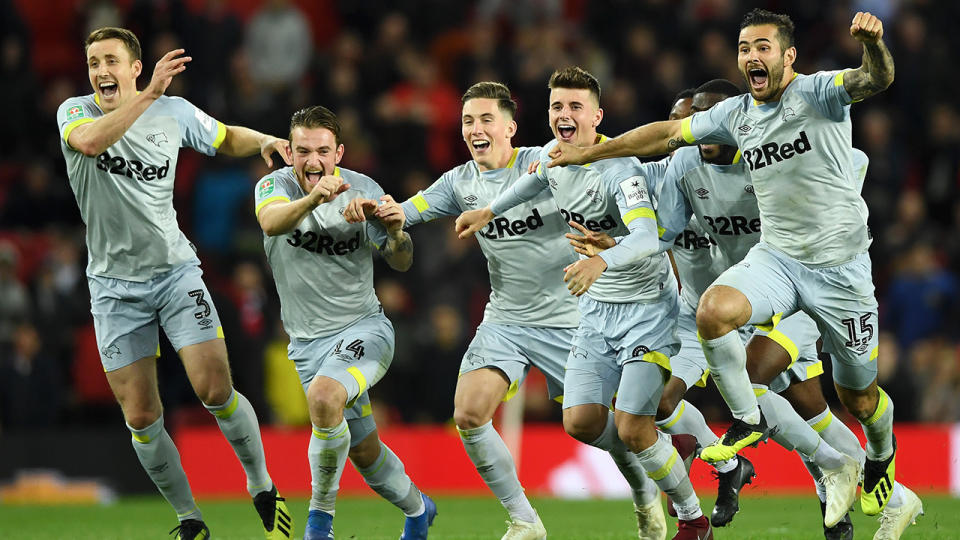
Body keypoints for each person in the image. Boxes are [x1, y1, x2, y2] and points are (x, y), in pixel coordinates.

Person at [547, 8, 913, 524]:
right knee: (713, 313)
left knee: (859, 395)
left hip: (839, 270)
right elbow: (665, 135)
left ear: (788, 56)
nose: (752, 56)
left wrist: (873, 44)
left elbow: (875, 78)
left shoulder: (818, 92)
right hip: (778, 261)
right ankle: (746, 424)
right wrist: (589, 155)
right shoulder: (735, 116)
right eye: (744, 48)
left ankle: (879, 455)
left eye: (763, 46)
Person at [384, 81, 665, 540]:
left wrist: (609, 251)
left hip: (572, 318)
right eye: (467, 121)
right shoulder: (459, 182)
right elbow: (409, 210)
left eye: (485, 119)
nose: (475, 129)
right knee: (469, 413)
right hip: (507, 320)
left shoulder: (550, 160)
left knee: (591, 426)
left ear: (510, 127)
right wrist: (383, 211)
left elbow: (606, 197)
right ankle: (524, 520)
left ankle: (642, 488)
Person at [456, 67, 712, 540]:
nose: (564, 115)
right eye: (557, 106)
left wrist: (602, 263)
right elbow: (534, 182)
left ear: (597, 115)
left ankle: (694, 519)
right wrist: (490, 209)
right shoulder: (553, 154)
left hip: (645, 309)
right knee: (581, 421)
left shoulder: (621, 171)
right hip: (595, 312)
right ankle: (670, 451)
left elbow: (646, 237)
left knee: (635, 427)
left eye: (575, 107)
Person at [57, 27, 292, 540]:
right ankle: (190, 519)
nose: (100, 70)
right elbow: (93, 142)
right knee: (142, 416)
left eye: (111, 60)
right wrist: (147, 97)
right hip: (114, 288)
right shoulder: (74, 112)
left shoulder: (175, 113)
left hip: (174, 274)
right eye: (93, 61)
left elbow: (227, 137)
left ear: (135, 65)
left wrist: (267, 140)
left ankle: (261, 483)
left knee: (214, 388)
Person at [253, 105, 435, 540]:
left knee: (322, 397)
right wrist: (317, 198)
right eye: (302, 151)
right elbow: (271, 222)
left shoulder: (364, 187)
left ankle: (319, 524)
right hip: (307, 345)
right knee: (366, 454)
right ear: (289, 153)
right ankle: (418, 509)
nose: (312, 162)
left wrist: (392, 232)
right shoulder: (271, 186)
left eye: (322, 151)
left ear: (339, 152)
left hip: (364, 329)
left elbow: (402, 261)